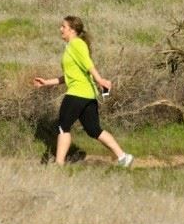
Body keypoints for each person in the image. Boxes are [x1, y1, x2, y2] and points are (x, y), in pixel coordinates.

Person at [33, 16, 134, 167]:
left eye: (63, 27)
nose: (60, 29)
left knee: (63, 127)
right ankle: (123, 157)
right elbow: (70, 76)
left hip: (77, 94)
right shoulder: (72, 46)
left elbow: (88, 64)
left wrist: (100, 80)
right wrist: (47, 82)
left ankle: (59, 164)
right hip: (87, 94)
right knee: (94, 130)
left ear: (72, 30)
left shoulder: (76, 44)